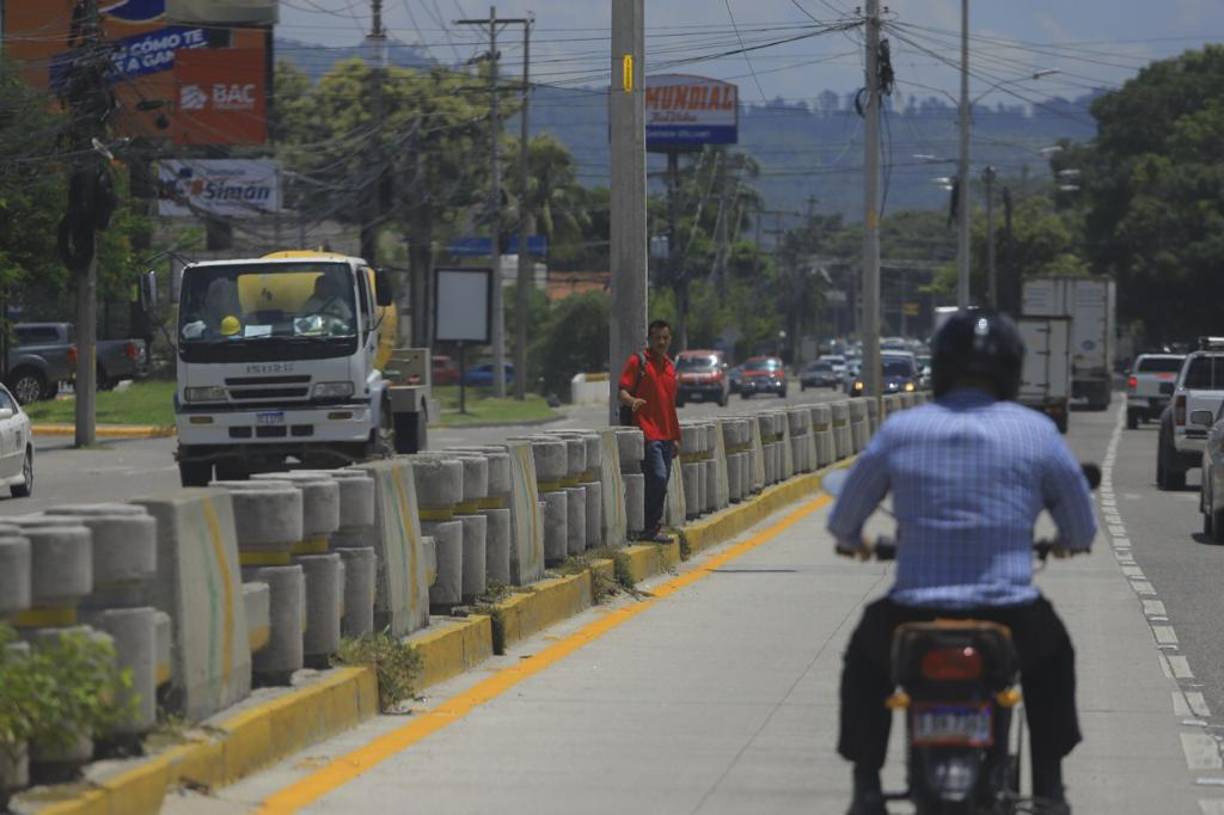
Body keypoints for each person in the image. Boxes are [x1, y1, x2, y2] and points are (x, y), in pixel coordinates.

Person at [828, 311, 1098, 815]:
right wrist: (1064, 541)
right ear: (1012, 369)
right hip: (1009, 611)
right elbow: (1082, 527)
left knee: (864, 666)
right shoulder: (1036, 431)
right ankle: (1050, 788)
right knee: (1054, 662)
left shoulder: (903, 428)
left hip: (913, 611)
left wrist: (856, 540)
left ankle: (867, 788)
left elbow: (844, 519)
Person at [618, 320, 680, 543]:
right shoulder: (639, 362)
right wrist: (632, 401)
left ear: (670, 339)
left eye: (665, 338)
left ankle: (651, 527)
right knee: (658, 477)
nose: (661, 342)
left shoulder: (671, 367)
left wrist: (676, 438)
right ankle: (649, 528)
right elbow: (622, 391)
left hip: (666, 435)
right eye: (657, 338)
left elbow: (670, 407)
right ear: (650, 339)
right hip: (647, 433)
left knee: (661, 483)